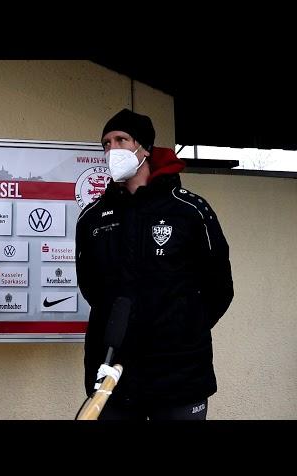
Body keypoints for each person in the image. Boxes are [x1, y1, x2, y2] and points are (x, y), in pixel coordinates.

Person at [75, 108, 233, 420]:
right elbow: (91, 287)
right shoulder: (92, 217)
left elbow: (219, 288)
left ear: (144, 149)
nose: (112, 150)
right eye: (106, 144)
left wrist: (183, 328)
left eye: (121, 140)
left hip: (179, 375)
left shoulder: (190, 210)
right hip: (114, 375)